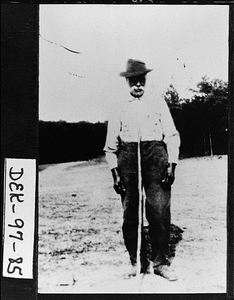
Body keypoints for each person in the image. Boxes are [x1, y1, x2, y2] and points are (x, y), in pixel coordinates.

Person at [104, 59, 180, 281]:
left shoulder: (157, 102)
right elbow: (110, 146)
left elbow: (172, 135)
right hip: (128, 159)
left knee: (158, 211)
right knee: (131, 214)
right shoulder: (118, 105)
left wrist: (171, 164)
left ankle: (160, 263)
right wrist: (115, 172)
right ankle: (136, 262)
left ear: (145, 80)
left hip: (155, 156)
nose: (138, 85)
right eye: (134, 81)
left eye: (141, 80)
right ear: (127, 81)